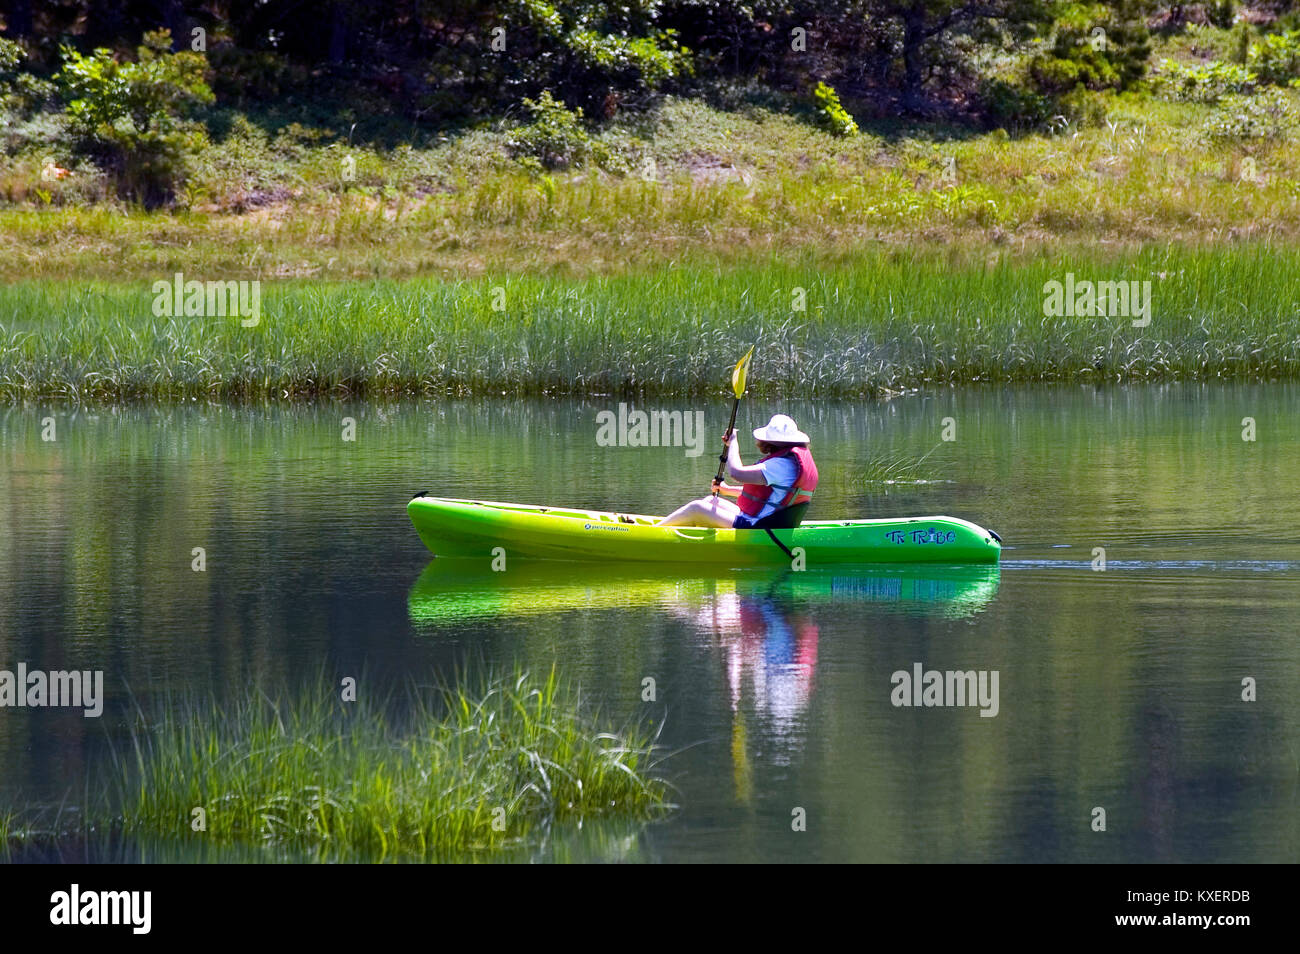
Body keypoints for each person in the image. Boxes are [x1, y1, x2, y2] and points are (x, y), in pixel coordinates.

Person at [658, 414, 818, 528]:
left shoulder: (780, 465)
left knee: (697, 508)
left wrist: (733, 442)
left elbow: (737, 473)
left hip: (758, 525)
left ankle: (654, 533)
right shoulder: (789, 463)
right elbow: (767, 496)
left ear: (770, 441)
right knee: (710, 501)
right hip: (762, 519)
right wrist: (726, 490)